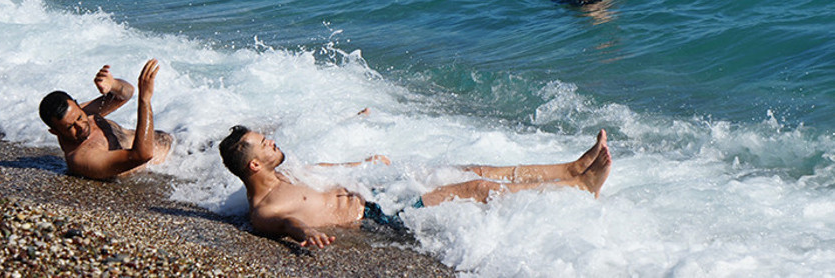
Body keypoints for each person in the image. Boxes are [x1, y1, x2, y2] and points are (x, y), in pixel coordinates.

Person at [219, 126, 612, 248]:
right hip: (380, 215)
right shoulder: (265, 209)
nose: (271, 140)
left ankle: (572, 167)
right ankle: (578, 190)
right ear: (254, 164)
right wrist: (308, 234)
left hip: (378, 188)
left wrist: (366, 164)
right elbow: (287, 226)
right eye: (263, 142)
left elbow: (327, 171)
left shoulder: (288, 172)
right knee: (475, 187)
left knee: (468, 167)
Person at [39, 59, 172, 180]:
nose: (81, 126)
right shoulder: (83, 158)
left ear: (78, 106)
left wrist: (113, 85)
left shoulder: (80, 112)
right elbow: (142, 155)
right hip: (171, 166)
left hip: (180, 144)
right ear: (55, 132)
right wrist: (145, 99)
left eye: (79, 117)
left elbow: (126, 94)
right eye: (70, 127)